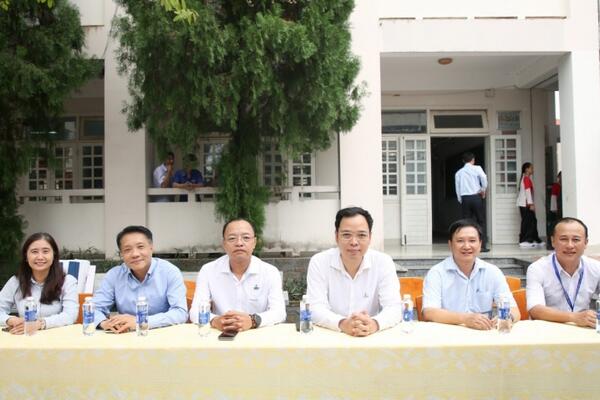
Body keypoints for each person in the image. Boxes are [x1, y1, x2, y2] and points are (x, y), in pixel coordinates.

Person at [306, 207, 402, 336]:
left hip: (370, 337)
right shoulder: (319, 262)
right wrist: (342, 323)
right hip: (331, 335)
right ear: (336, 236)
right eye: (346, 235)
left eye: (361, 235)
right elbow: (315, 307)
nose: (354, 242)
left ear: (370, 237)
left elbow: (394, 307)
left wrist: (373, 324)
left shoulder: (383, 262)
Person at [190, 218, 286, 331]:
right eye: (232, 238)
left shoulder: (270, 272)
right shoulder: (208, 271)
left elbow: (279, 312)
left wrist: (253, 320)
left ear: (254, 243)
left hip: (257, 334)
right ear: (224, 244)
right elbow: (195, 311)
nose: (239, 243)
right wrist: (215, 321)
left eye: (246, 238)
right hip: (221, 334)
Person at [422, 219, 520, 330]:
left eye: (472, 241)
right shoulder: (437, 273)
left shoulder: (492, 272)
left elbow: (514, 310)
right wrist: (464, 319)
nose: (467, 246)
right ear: (450, 244)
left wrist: (507, 318)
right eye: (460, 241)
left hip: (483, 333)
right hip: (448, 333)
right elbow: (429, 312)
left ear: (480, 244)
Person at [92, 226, 187, 333]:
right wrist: (104, 323)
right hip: (126, 335)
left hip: (162, 334)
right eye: (127, 250)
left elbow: (180, 312)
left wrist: (141, 321)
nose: (135, 254)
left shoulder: (169, 272)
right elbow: (94, 308)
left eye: (140, 247)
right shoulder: (114, 275)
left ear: (151, 248)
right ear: (121, 254)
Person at [526, 217, 600, 328]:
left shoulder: (595, 268)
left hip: (584, 329)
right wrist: (574, 317)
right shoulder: (537, 268)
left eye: (576, 240)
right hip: (548, 329)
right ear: (553, 241)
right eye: (563, 239)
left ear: (586, 243)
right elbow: (535, 309)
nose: (570, 245)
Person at [0, 233, 78, 334]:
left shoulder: (67, 282)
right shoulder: (16, 281)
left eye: (45, 251)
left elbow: (70, 315)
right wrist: (10, 320)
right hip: (25, 337)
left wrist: (40, 324)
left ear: (54, 255)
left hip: (57, 338)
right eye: (34, 252)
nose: (40, 257)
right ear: (26, 256)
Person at [455, 152, 489, 252]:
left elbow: (457, 188)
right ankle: (481, 246)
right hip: (476, 197)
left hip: (465, 198)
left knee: (466, 223)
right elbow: (484, 178)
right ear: (473, 160)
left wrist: (460, 199)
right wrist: (483, 189)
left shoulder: (459, 172)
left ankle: (467, 245)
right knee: (480, 221)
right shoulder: (477, 168)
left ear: (463, 161)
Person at [517, 162, 543, 247]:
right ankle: (525, 240)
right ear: (526, 169)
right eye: (531, 168)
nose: (532, 169)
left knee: (532, 221)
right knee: (527, 223)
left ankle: (533, 239)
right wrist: (531, 204)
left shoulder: (526, 178)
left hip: (526, 204)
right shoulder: (526, 179)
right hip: (525, 205)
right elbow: (527, 192)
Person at [546, 171, 562, 250]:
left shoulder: (562, 185)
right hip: (556, 209)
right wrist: (554, 209)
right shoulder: (556, 186)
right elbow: (553, 198)